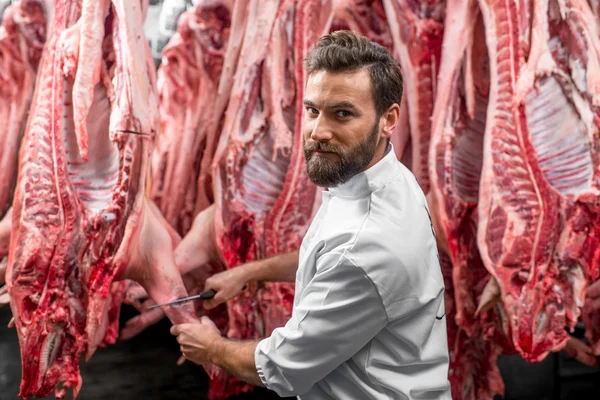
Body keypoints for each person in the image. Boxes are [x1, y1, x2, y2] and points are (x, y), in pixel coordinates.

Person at [170, 30, 452, 399]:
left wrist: (211, 346)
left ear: (389, 119)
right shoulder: (385, 177)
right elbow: (332, 257)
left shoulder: (368, 244)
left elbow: (280, 368)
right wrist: (250, 272)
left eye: (342, 114)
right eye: (312, 111)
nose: (318, 132)